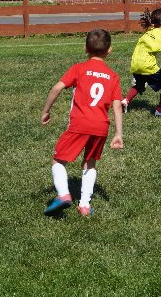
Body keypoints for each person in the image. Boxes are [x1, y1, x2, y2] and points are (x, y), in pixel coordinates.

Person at [41, 29, 123, 216]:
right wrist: (118, 133)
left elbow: (57, 88)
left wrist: (46, 111)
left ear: (85, 48)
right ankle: (85, 205)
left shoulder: (78, 69)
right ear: (109, 50)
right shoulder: (112, 76)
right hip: (101, 127)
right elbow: (117, 106)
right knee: (90, 162)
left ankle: (63, 194)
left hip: (80, 124)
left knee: (58, 160)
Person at [121, 8, 161, 117]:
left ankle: (125, 100)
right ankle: (160, 109)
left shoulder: (149, 31)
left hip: (135, 64)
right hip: (147, 65)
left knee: (139, 85)